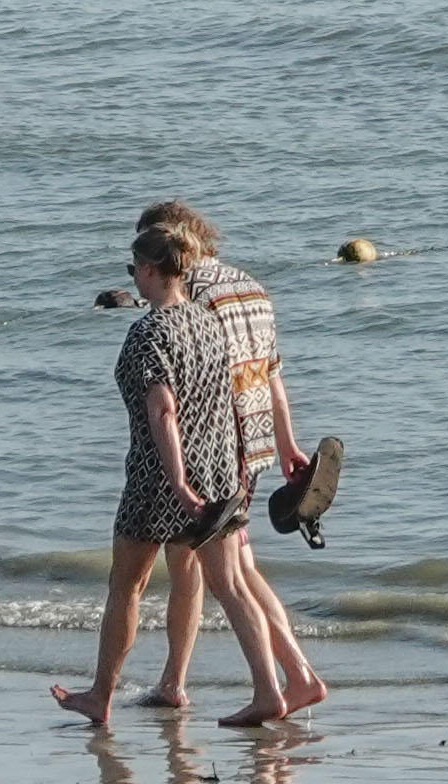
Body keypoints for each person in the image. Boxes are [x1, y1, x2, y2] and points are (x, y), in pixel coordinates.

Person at [50, 217, 295, 729]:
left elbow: (163, 413)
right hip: (221, 472)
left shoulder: (148, 333)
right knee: (230, 585)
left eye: (133, 269)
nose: (133, 279)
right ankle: (270, 690)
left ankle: (100, 695)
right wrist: (217, 478)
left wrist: (178, 484)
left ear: (150, 270)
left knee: (127, 586)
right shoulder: (208, 323)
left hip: (159, 479)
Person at [140, 200, 330, 718]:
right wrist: (288, 445)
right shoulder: (251, 286)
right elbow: (273, 376)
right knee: (209, 567)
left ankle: (295, 676)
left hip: (217, 446)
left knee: (229, 574)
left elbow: (187, 372)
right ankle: (175, 680)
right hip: (259, 444)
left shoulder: (191, 293)